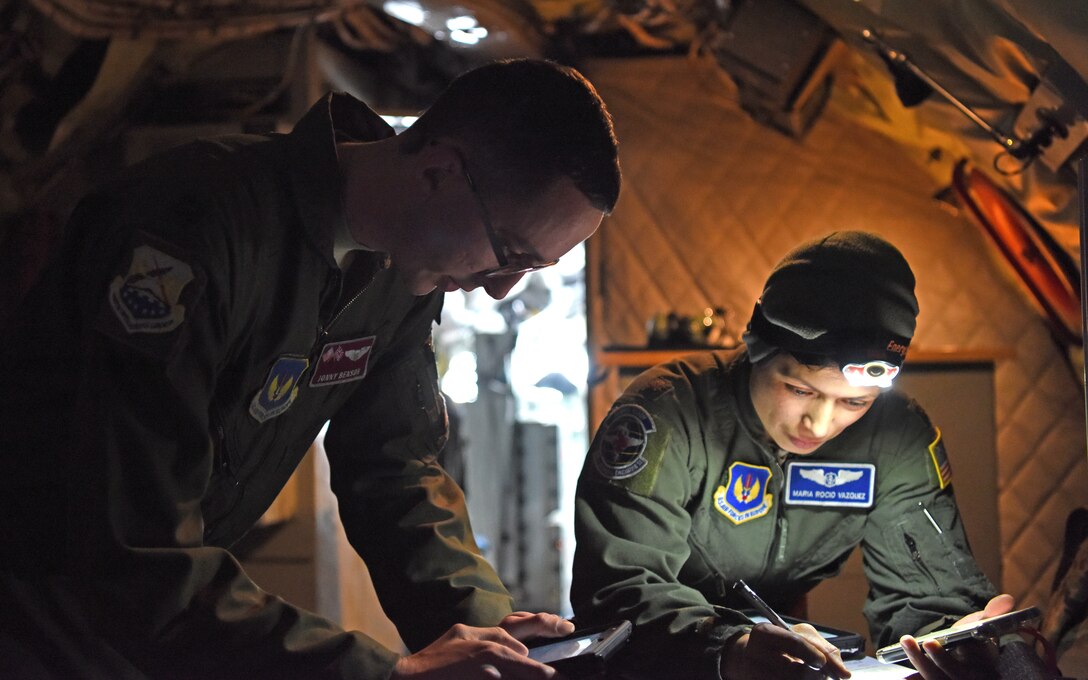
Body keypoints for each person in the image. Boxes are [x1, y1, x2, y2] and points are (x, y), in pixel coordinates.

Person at [0, 58, 620, 679]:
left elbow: (394, 467)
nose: (500, 291)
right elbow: (132, 552)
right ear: (438, 170)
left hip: (138, 633)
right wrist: (384, 675)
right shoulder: (189, 228)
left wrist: (486, 631)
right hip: (35, 623)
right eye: (508, 254)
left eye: (530, 270)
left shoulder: (403, 270)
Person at [571, 231, 1016, 680]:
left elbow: (931, 597)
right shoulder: (667, 411)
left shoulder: (895, 436)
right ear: (756, 349)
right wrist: (728, 647)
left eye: (854, 403)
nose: (820, 425)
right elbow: (618, 590)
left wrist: (955, 636)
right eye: (799, 389)